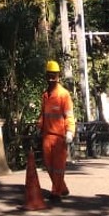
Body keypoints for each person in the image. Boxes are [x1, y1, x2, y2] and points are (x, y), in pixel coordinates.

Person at [39, 59, 75, 199]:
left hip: (60, 137)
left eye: (54, 75)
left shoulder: (63, 94)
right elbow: (43, 113)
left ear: (58, 76)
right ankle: (62, 187)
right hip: (47, 136)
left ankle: (56, 192)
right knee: (49, 166)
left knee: (58, 167)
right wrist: (39, 126)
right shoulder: (45, 95)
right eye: (49, 74)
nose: (51, 77)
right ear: (46, 75)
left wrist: (70, 132)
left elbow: (69, 115)